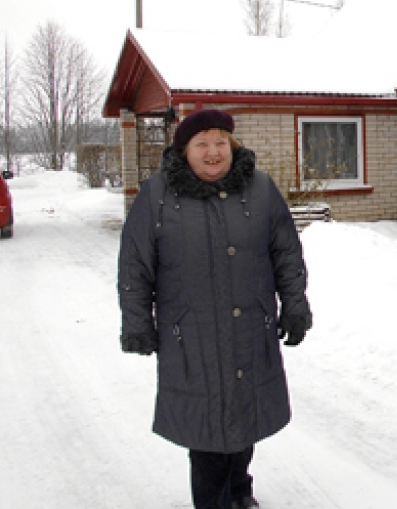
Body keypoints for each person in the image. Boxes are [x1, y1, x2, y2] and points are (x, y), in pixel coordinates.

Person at [118, 108, 313, 509]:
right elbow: (135, 265)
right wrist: (137, 323)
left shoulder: (260, 188)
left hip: (250, 329)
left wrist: (295, 305)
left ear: (232, 145)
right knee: (206, 433)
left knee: (244, 418)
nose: (213, 152)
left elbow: (286, 253)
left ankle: (239, 491)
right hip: (191, 336)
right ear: (184, 150)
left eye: (220, 142)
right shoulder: (157, 195)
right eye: (202, 144)